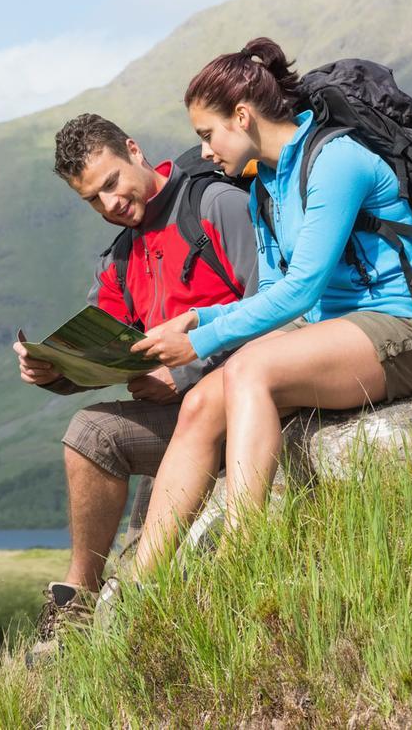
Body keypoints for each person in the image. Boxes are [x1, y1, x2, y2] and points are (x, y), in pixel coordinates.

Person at [127, 37, 412, 575]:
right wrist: (202, 318)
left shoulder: (336, 162)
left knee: (248, 367)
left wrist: (199, 342)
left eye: (208, 135)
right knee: (203, 402)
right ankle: (144, 585)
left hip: (398, 329)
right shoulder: (265, 187)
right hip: (329, 330)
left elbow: (303, 288)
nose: (204, 152)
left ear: (243, 117)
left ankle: (240, 560)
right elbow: (273, 296)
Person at [13, 113, 257, 656]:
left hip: (250, 404)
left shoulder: (216, 205)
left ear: (133, 150)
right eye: (92, 201)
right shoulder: (121, 257)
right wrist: (55, 372)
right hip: (182, 420)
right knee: (88, 432)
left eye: (111, 184)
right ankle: (76, 606)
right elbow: (104, 353)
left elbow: (281, 308)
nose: (109, 206)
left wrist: (187, 371)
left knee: (96, 433)